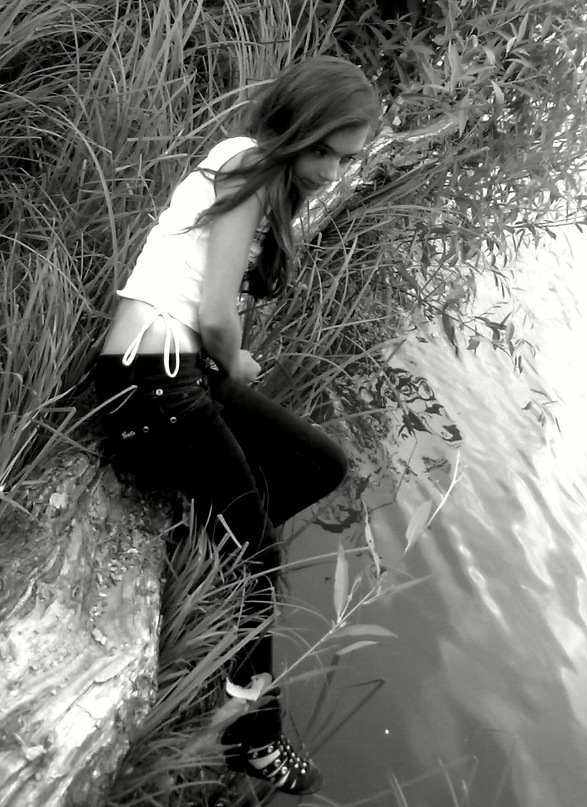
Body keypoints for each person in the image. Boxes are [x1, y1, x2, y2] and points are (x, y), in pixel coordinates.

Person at [93, 55, 380, 795]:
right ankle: (252, 734)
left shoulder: (259, 174)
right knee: (262, 553)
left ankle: (210, 537)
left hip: (178, 372)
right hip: (150, 383)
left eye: (347, 159)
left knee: (321, 464)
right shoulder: (247, 163)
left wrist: (221, 363)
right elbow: (218, 313)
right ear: (293, 127)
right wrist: (236, 360)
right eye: (324, 151)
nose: (332, 171)